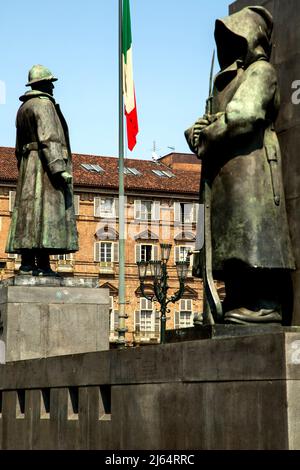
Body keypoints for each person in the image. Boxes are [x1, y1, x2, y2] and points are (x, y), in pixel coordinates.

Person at [185, 6, 295, 325]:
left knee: (253, 234)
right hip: (228, 169)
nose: (230, 46)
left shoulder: (261, 71)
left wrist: (209, 133)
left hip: (253, 166)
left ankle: (266, 304)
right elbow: (216, 121)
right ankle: (236, 300)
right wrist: (197, 130)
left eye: (236, 38)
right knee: (229, 238)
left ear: (250, 39)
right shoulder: (229, 79)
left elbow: (245, 115)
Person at [6, 65, 79, 275]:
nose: (53, 87)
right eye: (51, 83)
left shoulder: (23, 108)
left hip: (29, 165)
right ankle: (44, 265)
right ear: (43, 84)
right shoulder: (44, 105)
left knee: (29, 215)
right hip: (44, 167)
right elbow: (50, 138)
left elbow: (18, 146)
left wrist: (24, 166)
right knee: (46, 215)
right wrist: (59, 168)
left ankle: (27, 263)